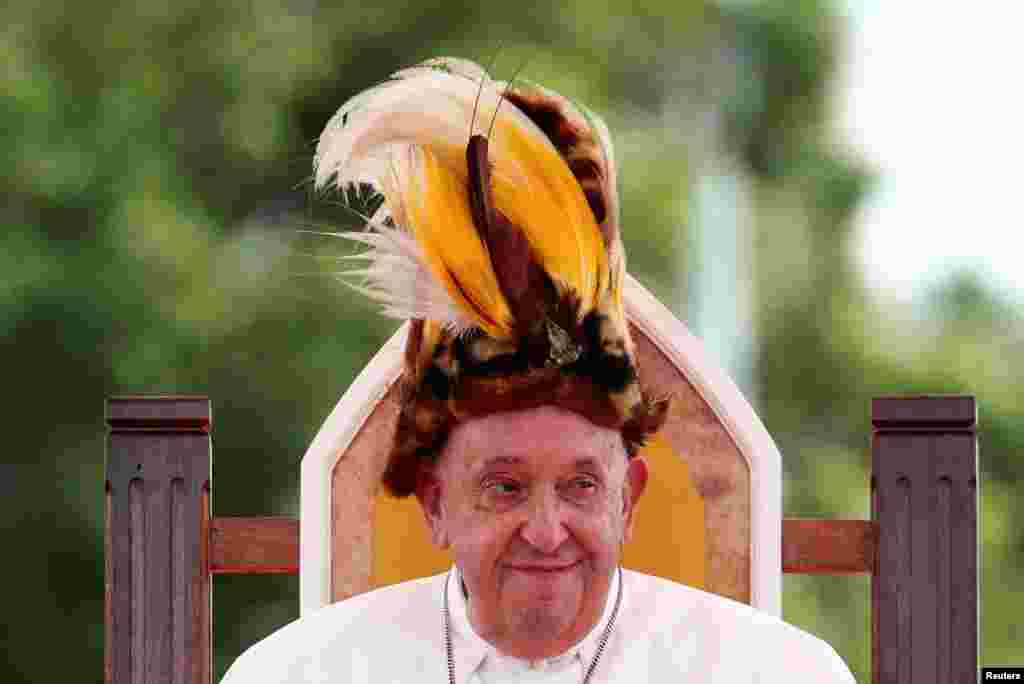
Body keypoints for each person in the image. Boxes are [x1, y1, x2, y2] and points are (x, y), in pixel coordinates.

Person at [221, 57, 856, 683]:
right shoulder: (296, 673)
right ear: (435, 503)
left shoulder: (777, 672)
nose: (548, 533)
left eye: (582, 487)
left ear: (627, 499)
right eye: (505, 487)